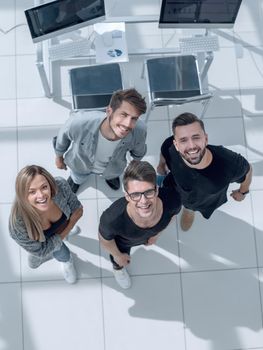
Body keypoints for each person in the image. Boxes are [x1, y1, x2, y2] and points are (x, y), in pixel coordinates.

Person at [159, 112, 252, 231]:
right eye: (183, 140)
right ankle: (187, 207)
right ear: (176, 145)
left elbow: (248, 170)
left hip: (203, 200)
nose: (191, 146)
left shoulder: (228, 163)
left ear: (206, 139)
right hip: (177, 187)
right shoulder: (169, 147)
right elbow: (164, 153)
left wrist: (243, 192)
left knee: (191, 207)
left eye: (196, 137)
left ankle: (190, 210)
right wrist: (161, 165)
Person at [98, 160, 181, 289]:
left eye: (148, 192)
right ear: (127, 196)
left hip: (147, 237)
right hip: (123, 243)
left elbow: (172, 216)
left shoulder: (173, 200)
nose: (144, 201)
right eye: (135, 195)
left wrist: (156, 235)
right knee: (118, 260)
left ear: (157, 190)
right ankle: (118, 269)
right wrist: (118, 256)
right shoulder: (112, 219)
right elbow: (105, 240)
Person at [53, 88, 147, 193]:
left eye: (134, 118)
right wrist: (59, 157)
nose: (128, 124)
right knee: (78, 176)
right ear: (109, 111)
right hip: (80, 164)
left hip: (114, 167)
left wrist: (133, 167)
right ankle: (76, 181)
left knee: (112, 173)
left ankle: (110, 177)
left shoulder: (139, 130)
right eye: (124, 115)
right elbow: (62, 138)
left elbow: (138, 151)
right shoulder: (78, 123)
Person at [9, 165, 83, 284]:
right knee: (63, 253)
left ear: (50, 184)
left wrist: (70, 222)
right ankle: (66, 262)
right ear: (23, 195)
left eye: (44, 187)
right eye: (32, 192)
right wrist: (70, 225)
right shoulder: (18, 226)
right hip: (46, 241)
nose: (41, 195)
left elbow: (76, 208)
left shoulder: (60, 185)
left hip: (63, 225)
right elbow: (42, 251)